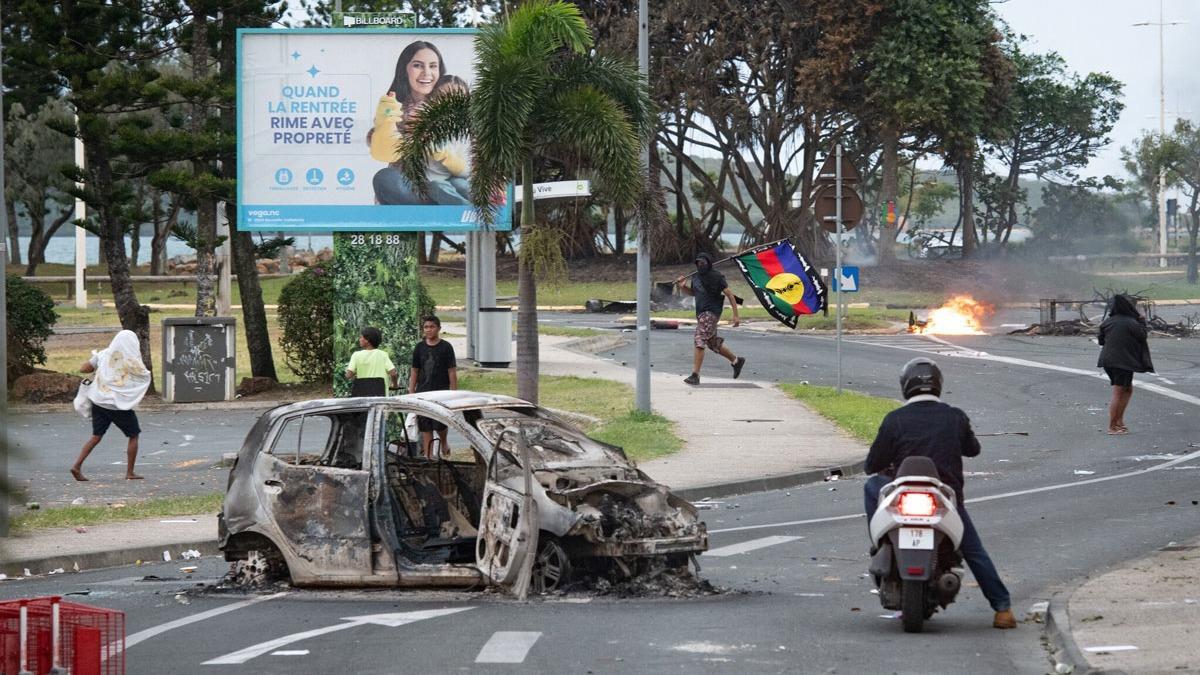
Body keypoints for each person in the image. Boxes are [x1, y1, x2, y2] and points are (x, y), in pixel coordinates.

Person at [863, 357, 1017, 630]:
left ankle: (880, 541)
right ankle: (1002, 609)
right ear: (938, 385)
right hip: (945, 501)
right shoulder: (954, 416)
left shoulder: (894, 420)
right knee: (972, 550)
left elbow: (871, 466)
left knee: (872, 486)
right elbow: (973, 449)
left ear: (905, 387)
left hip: (902, 500)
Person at [369, 41, 446, 205]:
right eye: (418, 65)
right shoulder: (394, 106)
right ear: (405, 69)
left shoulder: (450, 105)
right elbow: (382, 148)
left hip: (444, 186)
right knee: (385, 178)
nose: (427, 73)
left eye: (433, 66)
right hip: (407, 189)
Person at [71, 330, 152, 481]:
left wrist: (99, 365)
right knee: (133, 435)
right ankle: (130, 472)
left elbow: (83, 369)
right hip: (117, 405)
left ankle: (76, 466)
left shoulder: (104, 354)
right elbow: (142, 377)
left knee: (96, 436)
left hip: (98, 400)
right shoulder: (132, 361)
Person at [675, 252, 745, 385]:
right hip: (701, 314)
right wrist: (683, 287)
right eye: (698, 263)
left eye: (703, 263)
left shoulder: (717, 276)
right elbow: (694, 293)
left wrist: (735, 315)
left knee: (700, 338)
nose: (701, 265)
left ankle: (695, 375)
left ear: (709, 263)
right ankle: (736, 361)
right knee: (712, 343)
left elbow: (730, 295)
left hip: (711, 313)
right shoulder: (695, 276)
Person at [1097, 294, 1154, 435]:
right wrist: (1142, 322)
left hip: (1108, 361)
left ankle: (1119, 421)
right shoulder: (1132, 322)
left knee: (1127, 389)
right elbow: (1142, 336)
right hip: (1122, 362)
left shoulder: (1107, 322)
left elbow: (1101, 341)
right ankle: (1112, 426)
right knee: (1119, 392)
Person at [409, 315, 458, 458]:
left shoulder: (446, 347)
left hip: (441, 391)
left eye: (432, 327)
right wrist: (412, 390)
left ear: (439, 329)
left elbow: (452, 371)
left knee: (440, 423)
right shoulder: (419, 347)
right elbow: (415, 370)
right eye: (426, 327)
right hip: (423, 392)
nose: (429, 330)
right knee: (425, 425)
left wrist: (454, 393)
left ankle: (443, 442)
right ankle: (428, 456)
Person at [345, 326, 399, 397]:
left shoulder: (356, 355)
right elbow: (393, 373)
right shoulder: (383, 355)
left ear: (367, 340)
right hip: (380, 395)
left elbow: (348, 375)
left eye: (361, 337)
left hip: (362, 395)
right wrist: (395, 385)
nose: (359, 339)